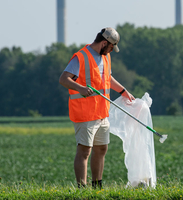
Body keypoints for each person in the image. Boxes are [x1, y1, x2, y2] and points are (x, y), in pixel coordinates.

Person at [59, 27, 135, 189]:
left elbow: (107, 78)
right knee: (84, 151)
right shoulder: (81, 57)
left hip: (102, 113)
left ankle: (97, 186)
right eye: (111, 47)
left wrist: (123, 91)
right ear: (104, 43)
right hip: (85, 114)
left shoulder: (105, 57)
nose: (112, 51)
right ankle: (82, 188)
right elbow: (64, 79)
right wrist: (80, 88)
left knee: (101, 149)